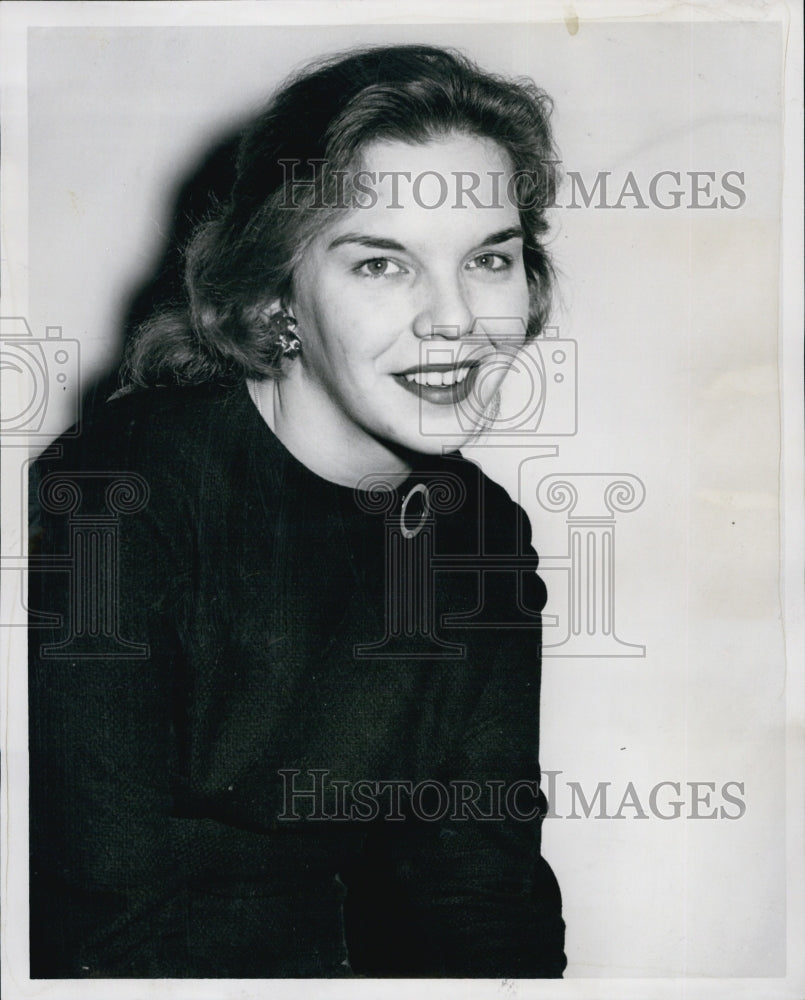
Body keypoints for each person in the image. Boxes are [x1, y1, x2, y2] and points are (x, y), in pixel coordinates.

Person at [28, 43, 566, 978]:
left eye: (488, 258)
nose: (454, 319)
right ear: (278, 289)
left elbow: (475, 888)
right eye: (381, 265)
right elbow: (104, 912)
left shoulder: (478, 533)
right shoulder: (123, 494)